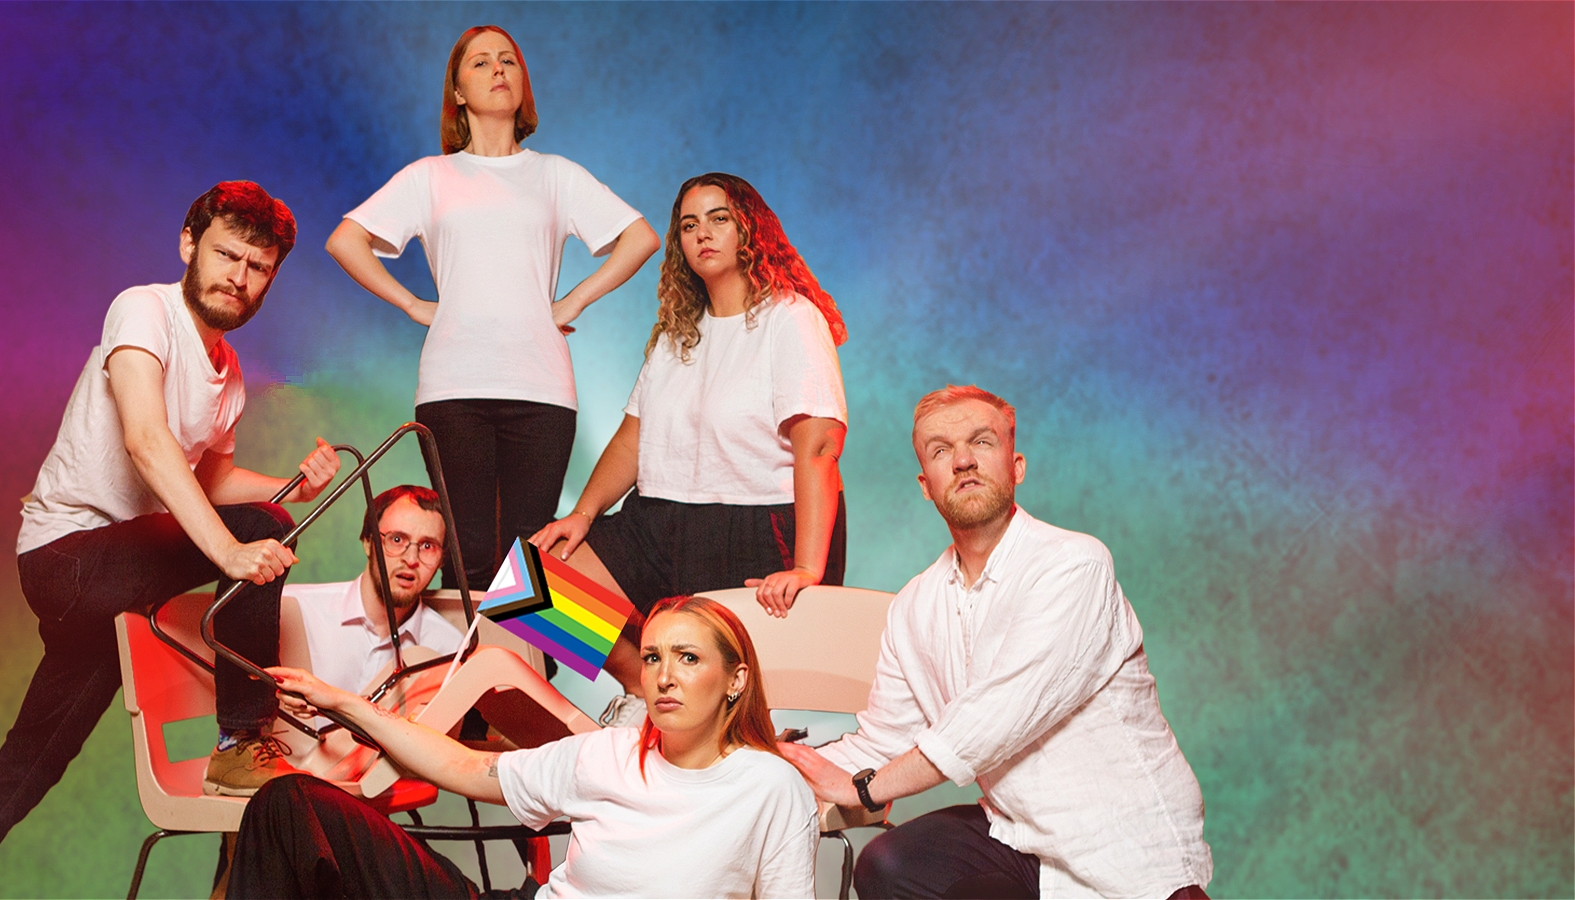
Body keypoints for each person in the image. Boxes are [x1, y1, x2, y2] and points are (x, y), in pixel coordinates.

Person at [0, 182, 340, 899]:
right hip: (69, 560)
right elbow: (146, 440)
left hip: (115, 583)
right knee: (263, 532)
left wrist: (292, 480)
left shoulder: (227, 378)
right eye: (228, 255)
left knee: (23, 774)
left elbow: (216, 478)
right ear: (189, 245)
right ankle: (240, 743)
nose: (240, 276)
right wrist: (232, 551)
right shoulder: (145, 309)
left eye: (259, 268)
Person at [776, 386, 1213, 899]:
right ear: (926, 485)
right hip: (1017, 837)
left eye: (981, 442)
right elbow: (883, 740)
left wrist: (863, 788)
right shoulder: (915, 604)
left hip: (1124, 852)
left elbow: (994, 718)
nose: (962, 460)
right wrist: (776, 761)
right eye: (940, 451)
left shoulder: (1073, 565)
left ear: (1016, 465)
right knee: (894, 865)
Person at [327, 24, 660, 594]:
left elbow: (641, 237)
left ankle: (534, 676)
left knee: (533, 552)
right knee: (472, 548)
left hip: (542, 387)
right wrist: (410, 303)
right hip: (454, 385)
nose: (498, 69)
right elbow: (345, 240)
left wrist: (574, 299)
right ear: (457, 91)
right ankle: (477, 677)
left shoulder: (554, 174)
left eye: (508, 60)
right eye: (480, 63)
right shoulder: (431, 177)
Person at [229, 596, 818, 899]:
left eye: (688, 658)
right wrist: (345, 703)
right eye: (653, 657)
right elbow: (466, 766)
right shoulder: (606, 754)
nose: (663, 676)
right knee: (289, 804)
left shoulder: (771, 788)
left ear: (735, 679)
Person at [530, 173, 848, 726]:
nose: (703, 233)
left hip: (756, 523)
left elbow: (817, 446)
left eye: (719, 218)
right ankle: (640, 695)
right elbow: (634, 435)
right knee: (531, 586)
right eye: (688, 224)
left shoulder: (791, 319)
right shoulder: (679, 333)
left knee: (720, 696)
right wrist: (583, 514)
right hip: (662, 518)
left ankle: (741, 743)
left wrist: (806, 567)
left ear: (751, 227)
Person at [284, 484, 464, 699]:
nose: (411, 559)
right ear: (368, 543)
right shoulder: (295, 608)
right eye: (397, 540)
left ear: (441, 559)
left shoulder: (450, 647)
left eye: (428, 546)